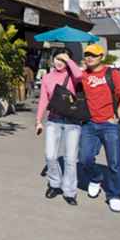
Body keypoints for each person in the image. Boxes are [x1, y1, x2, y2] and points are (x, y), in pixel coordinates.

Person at [78, 43, 120, 213]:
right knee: (85, 158)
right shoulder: (84, 75)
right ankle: (96, 177)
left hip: (109, 125)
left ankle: (115, 195)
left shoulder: (112, 73)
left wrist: (116, 118)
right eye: (87, 54)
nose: (89, 57)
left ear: (101, 57)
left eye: (93, 55)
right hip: (89, 124)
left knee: (114, 162)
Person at [35, 48, 83, 205]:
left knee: (70, 159)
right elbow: (43, 99)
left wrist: (68, 60)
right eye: (57, 58)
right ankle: (55, 184)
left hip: (72, 121)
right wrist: (38, 120)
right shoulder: (47, 77)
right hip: (53, 120)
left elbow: (79, 75)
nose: (59, 62)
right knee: (50, 155)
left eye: (63, 59)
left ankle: (69, 192)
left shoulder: (72, 76)